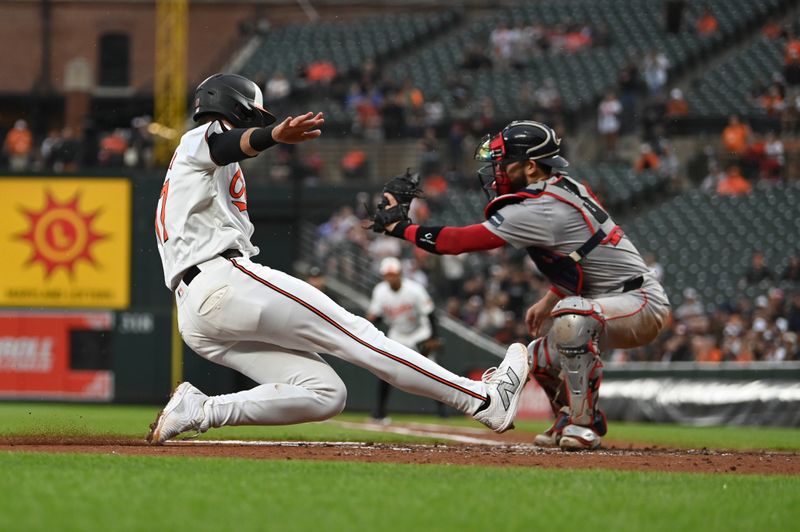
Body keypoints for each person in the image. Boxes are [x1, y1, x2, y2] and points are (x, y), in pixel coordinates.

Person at [146, 73, 530, 444]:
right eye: (254, 116)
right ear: (238, 109)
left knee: (326, 393)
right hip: (223, 280)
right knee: (358, 336)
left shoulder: (193, 173)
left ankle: (201, 410)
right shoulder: (198, 141)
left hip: (196, 313)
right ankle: (482, 399)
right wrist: (272, 135)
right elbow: (223, 142)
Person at [371, 120, 671, 450]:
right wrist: (550, 297)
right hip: (611, 300)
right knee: (536, 356)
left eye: (503, 163)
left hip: (639, 301)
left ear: (530, 166)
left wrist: (402, 228)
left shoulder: (540, 208)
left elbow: (456, 242)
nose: (496, 171)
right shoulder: (559, 187)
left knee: (571, 317)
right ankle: (566, 418)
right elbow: (582, 257)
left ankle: (584, 425)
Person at [367, 257, 447, 422]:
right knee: (386, 371)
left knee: (431, 371)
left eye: (393, 274)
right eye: (387, 275)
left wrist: (434, 337)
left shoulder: (414, 289)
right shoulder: (380, 291)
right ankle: (380, 412)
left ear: (400, 274)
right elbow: (376, 316)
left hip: (419, 332)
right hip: (397, 333)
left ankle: (443, 410)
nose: (391, 278)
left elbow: (430, 313)